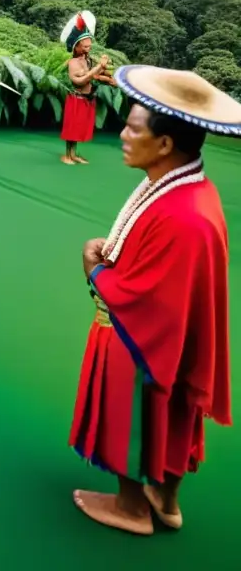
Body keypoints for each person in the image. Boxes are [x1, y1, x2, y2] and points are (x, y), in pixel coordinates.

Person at [69, 65, 237, 536]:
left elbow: (147, 300)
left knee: (142, 402)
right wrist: (120, 249)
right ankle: (165, 497)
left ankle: (131, 508)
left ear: (165, 144)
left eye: (133, 128)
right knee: (172, 409)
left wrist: (97, 270)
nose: (122, 134)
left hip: (148, 340)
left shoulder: (187, 215)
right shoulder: (186, 188)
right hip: (172, 335)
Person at [60, 11, 115, 165]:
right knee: (72, 130)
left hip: (87, 99)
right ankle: (67, 156)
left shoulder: (88, 60)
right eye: (84, 47)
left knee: (78, 129)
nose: (88, 49)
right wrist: (98, 67)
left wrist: (109, 78)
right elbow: (81, 81)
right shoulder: (73, 63)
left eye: (89, 46)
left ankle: (74, 154)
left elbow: (96, 76)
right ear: (76, 47)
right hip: (76, 99)